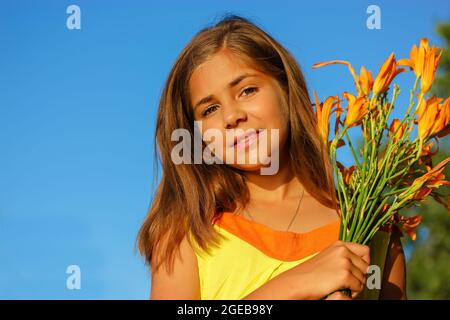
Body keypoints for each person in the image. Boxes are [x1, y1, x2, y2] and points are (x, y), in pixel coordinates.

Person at [136, 14, 407, 300]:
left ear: (287, 91)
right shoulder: (188, 232)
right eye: (209, 110)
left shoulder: (375, 228)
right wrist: (293, 285)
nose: (231, 116)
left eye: (247, 90)